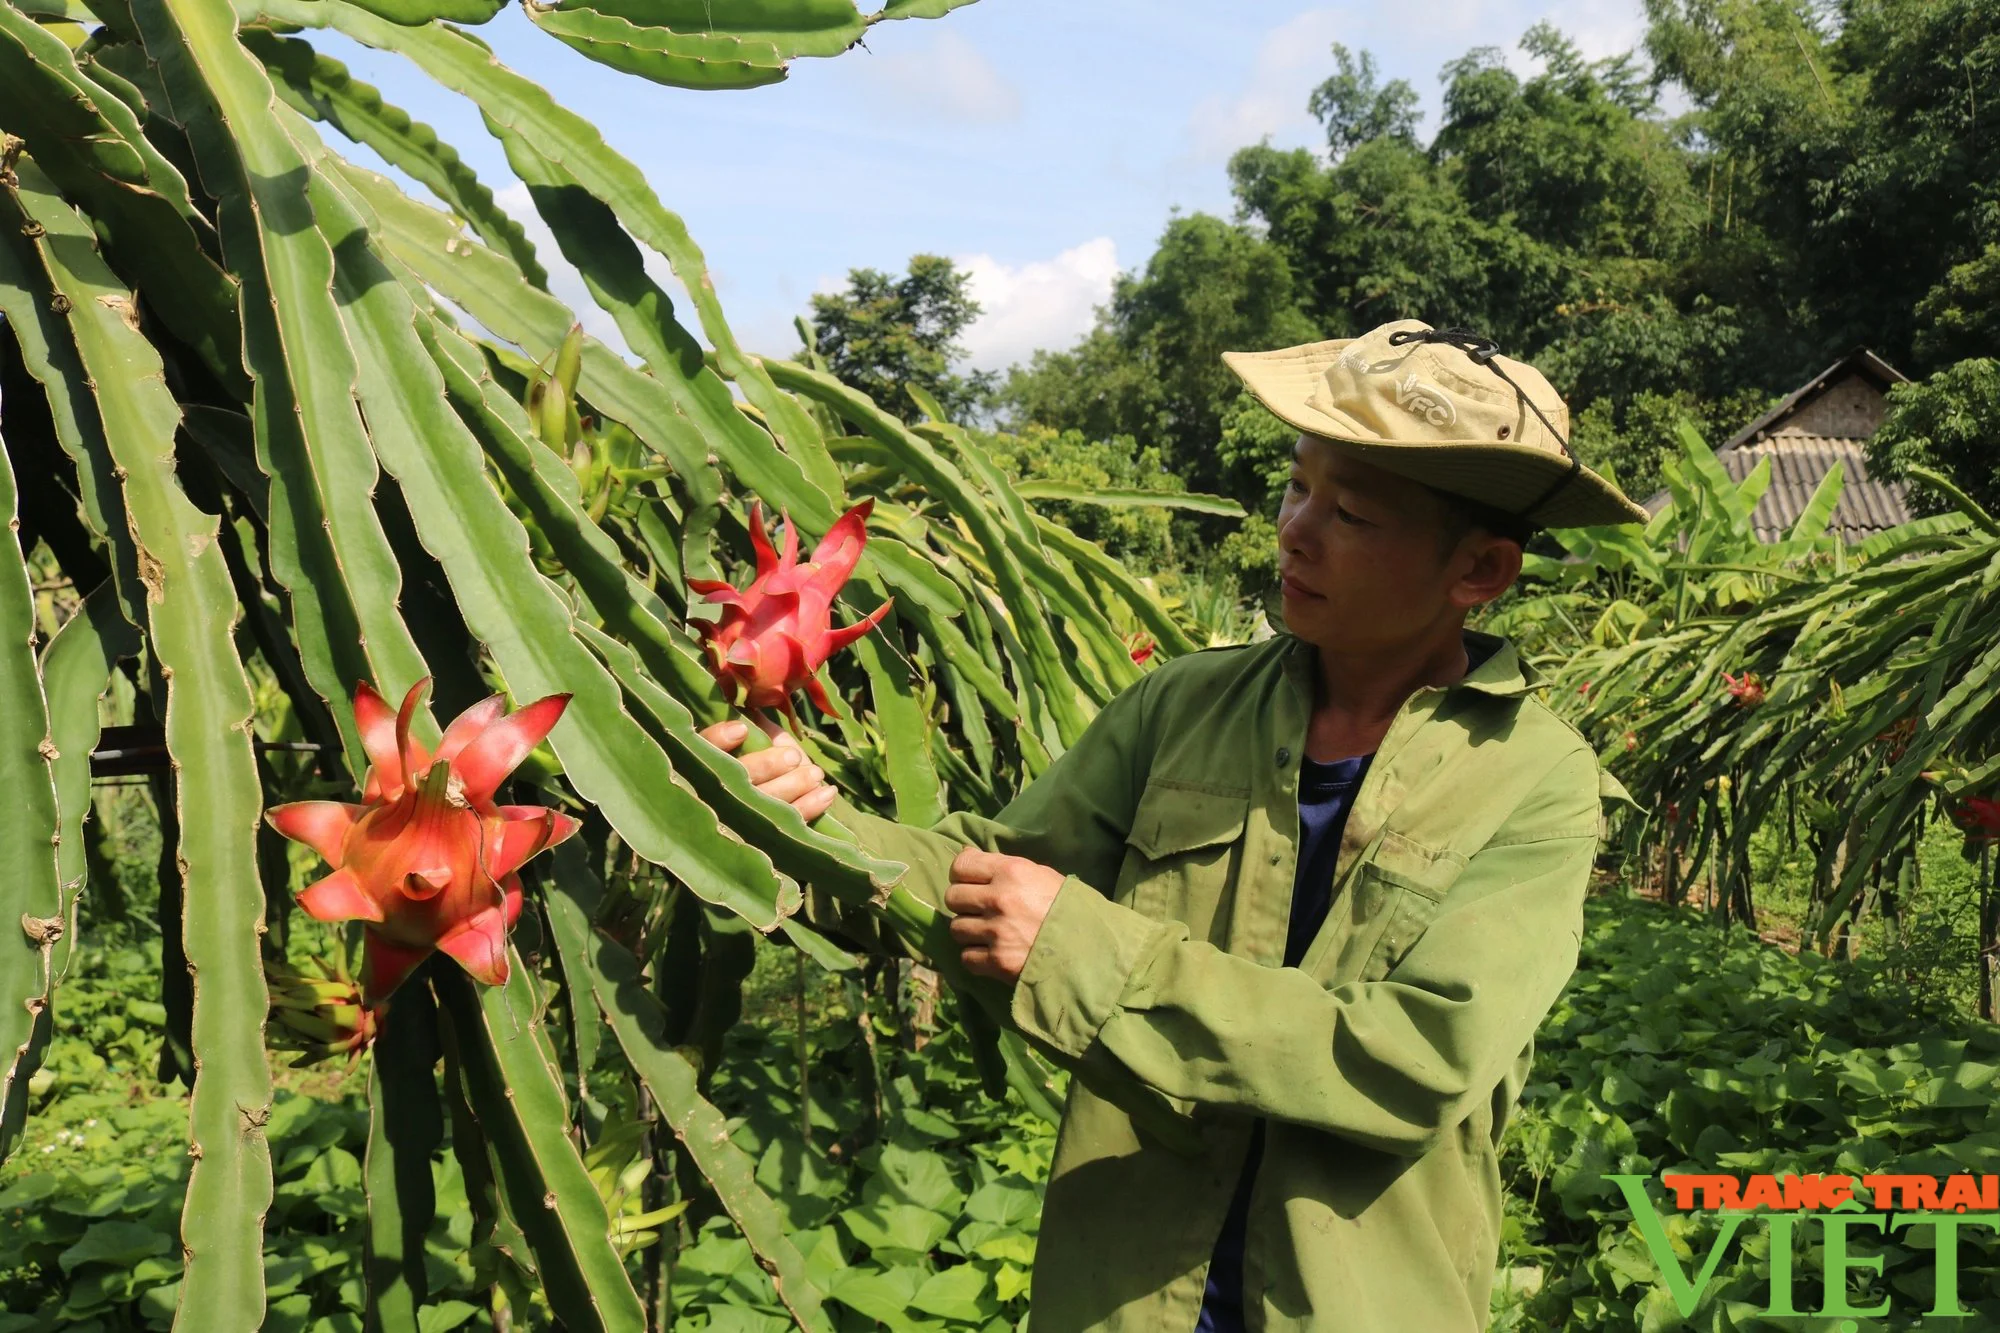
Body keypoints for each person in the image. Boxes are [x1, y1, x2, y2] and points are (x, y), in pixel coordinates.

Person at [700, 318, 1645, 1332]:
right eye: (1297, 488)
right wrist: (820, 819)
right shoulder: (1180, 707)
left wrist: (1084, 953)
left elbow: (1416, 1058)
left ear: (1479, 572)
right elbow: (993, 879)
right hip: (1122, 1290)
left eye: (1353, 516)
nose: (1293, 531)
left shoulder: (1535, 780)